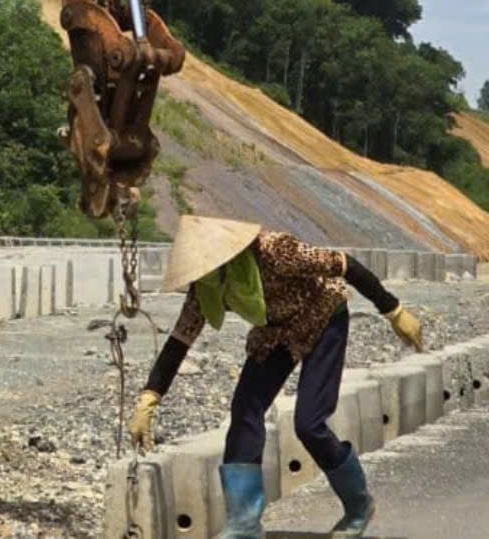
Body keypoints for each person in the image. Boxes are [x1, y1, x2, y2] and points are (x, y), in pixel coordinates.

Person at [129, 217, 424, 539]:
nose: (199, 277)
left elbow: (345, 265)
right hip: (276, 333)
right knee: (244, 413)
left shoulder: (275, 250)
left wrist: (393, 310)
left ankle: (358, 504)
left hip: (324, 316)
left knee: (309, 423)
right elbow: (180, 340)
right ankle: (244, 525)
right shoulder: (207, 287)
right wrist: (150, 397)